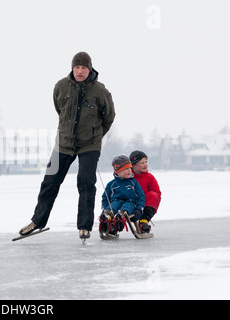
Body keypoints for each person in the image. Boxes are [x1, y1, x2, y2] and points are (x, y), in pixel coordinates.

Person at [19, 52, 116, 240]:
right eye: (77, 67)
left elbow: (109, 117)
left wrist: (95, 135)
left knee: (86, 182)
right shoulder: (61, 86)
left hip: (89, 145)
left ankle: (84, 226)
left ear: (90, 69)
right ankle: (38, 221)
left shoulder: (100, 91)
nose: (80, 71)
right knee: (50, 181)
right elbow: (59, 109)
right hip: (64, 143)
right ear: (72, 68)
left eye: (84, 68)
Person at [99, 155, 145, 235]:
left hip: (130, 202)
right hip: (116, 202)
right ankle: (107, 217)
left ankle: (121, 216)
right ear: (117, 171)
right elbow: (105, 197)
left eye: (130, 168)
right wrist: (105, 207)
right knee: (113, 205)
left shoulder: (133, 182)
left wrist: (139, 209)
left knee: (127, 206)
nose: (129, 171)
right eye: (126, 169)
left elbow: (141, 196)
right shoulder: (111, 184)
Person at [129, 150, 162, 233]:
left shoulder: (150, 177)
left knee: (154, 195)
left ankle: (144, 221)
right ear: (133, 165)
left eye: (146, 162)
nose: (145, 165)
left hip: (144, 204)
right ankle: (112, 222)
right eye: (142, 163)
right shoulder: (128, 177)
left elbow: (157, 193)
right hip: (129, 203)